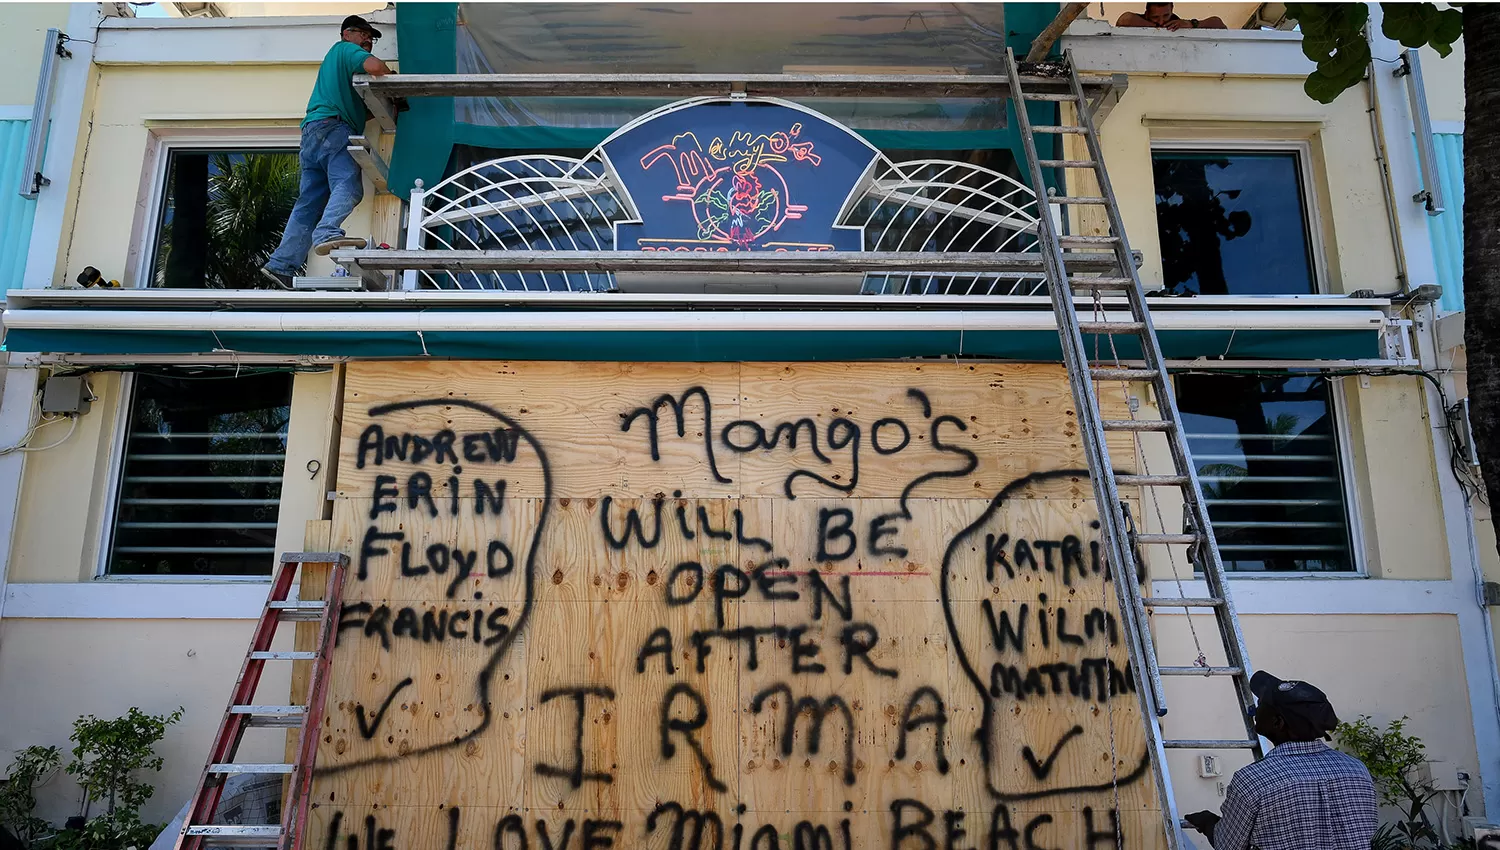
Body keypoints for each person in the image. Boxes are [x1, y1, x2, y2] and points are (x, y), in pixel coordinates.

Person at [261, 15, 393, 289]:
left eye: (372, 37)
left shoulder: (335, 70)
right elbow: (376, 67)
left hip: (313, 133)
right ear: (347, 34)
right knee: (349, 187)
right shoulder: (344, 49)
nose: (369, 40)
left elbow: (358, 113)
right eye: (364, 34)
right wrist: (392, 81)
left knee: (309, 203)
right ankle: (327, 232)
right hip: (333, 129)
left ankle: (281, 264)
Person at [1184, 671, 1377, 850]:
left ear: (1278, 722)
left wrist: (1207, 821)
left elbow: (1227, 846)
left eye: (1260, 705)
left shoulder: (1253, 780)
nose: (1254, 710)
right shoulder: (1357, 771)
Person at [1116, 2, 1226, 30]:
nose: (1161, 21)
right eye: (1155, 17)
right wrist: (1157, 28)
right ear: (1147, 13)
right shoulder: (1138, 21)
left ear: (1172, 9)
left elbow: (1219, 24)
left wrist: (1191, 24)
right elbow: (1124, 20)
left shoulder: (1179, 23)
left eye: (1166, 15)